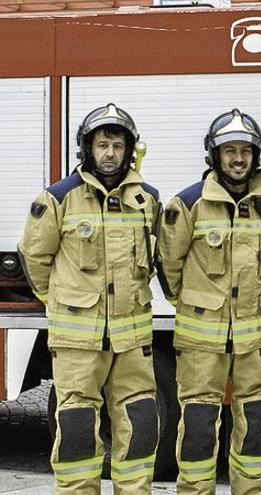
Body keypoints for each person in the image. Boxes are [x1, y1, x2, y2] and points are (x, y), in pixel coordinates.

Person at [19, 103, 160, 494]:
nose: (110, 153)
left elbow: (153, 259)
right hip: (78, 341)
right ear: (88, 149)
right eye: (102, 144)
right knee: (78, 425)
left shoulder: (147, 199)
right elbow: (35, 258)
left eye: (117, 144)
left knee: (141, 420)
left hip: (132, 337)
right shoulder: (59, 198)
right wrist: (64, 301)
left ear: (129, 150)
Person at [157, 109, 261, 494]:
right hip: (201, 337)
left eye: (245, 151)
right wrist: (196, 303)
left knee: (258, 416)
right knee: (198, 419)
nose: (237, 158)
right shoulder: (188, 204)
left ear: (255, 154)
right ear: (214, 156)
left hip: (253, 335)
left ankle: (251, 490)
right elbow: (168, 264)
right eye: (228, 150)